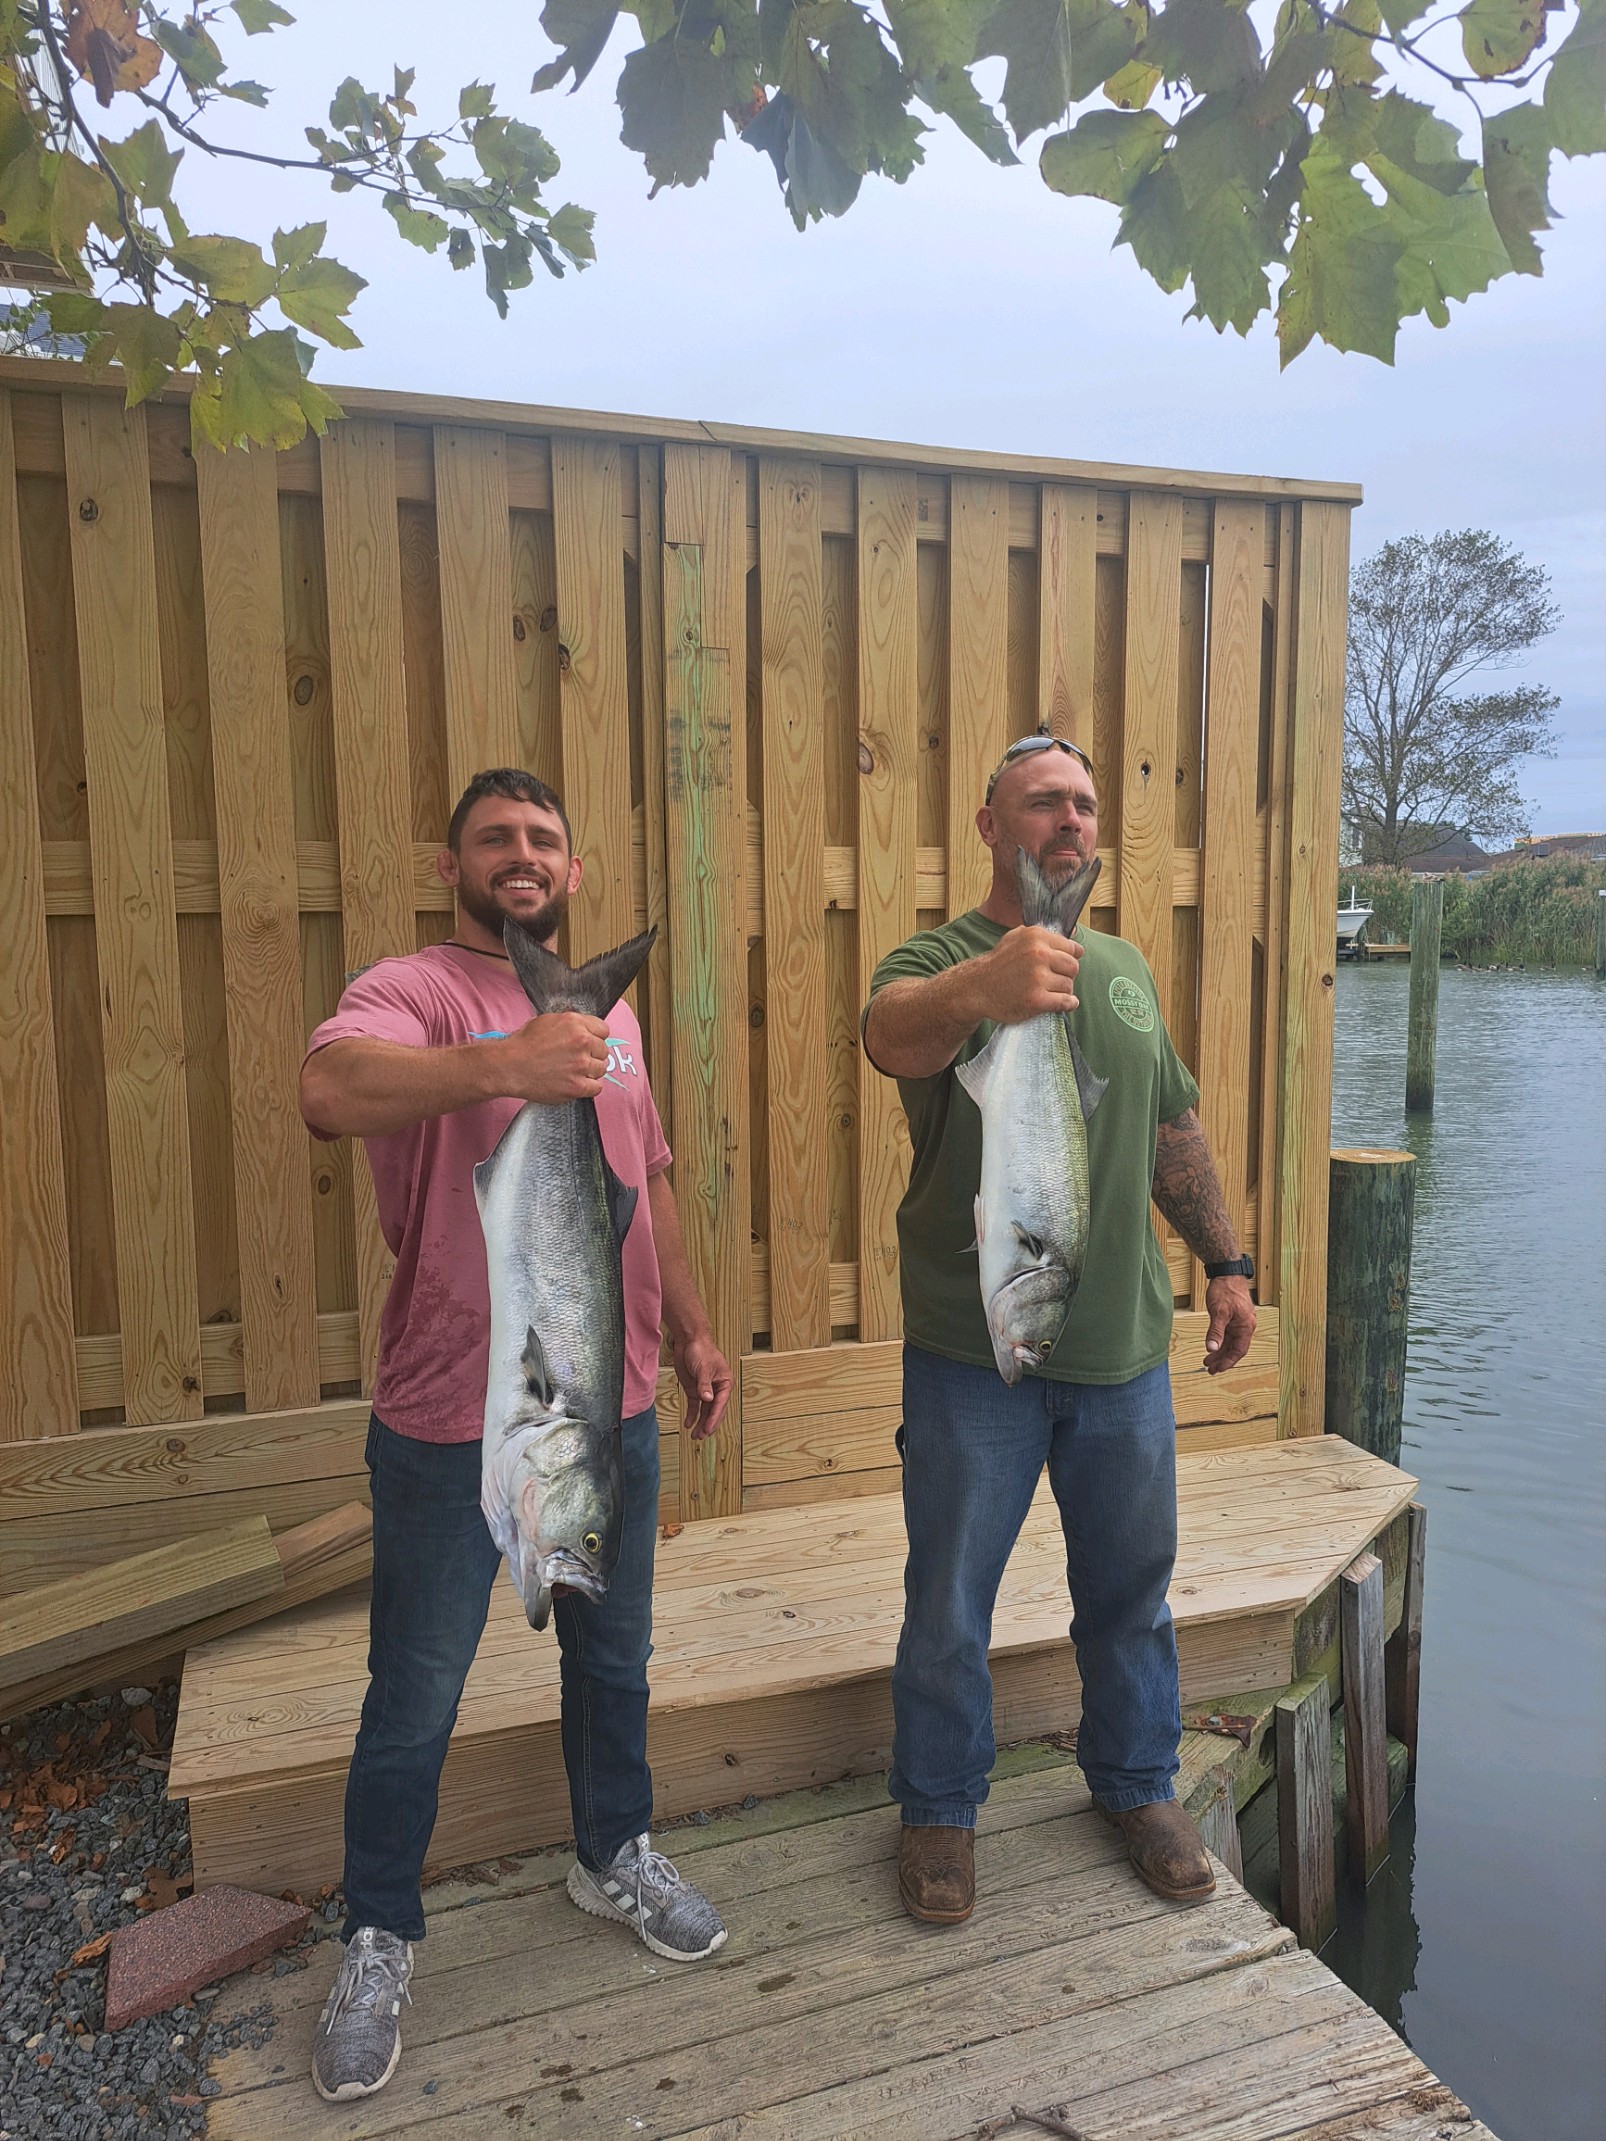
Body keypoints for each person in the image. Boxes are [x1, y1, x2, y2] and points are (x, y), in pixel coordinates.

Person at [297, 768, 734, 2101]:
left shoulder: (613, 1015)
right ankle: (379, 1930)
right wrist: (508, 1061)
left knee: (612, 1657)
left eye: (544, 838)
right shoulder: (416, 988)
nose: (522, 853)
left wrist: (696, 1331)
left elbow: (648, 1177)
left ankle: (612, 1853)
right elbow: (328, 1088)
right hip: (449, 1416)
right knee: (414, 1693)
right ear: (454, 867)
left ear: (573, 870)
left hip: (609, 1402)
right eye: (496, 837)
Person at [862, 729, 1256, 1925]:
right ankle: (938, 1804)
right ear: (991, 825)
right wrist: (985, 986)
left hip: (1123, 1355)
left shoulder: (1121, 964)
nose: (1070, 819)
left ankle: (1137, 1781)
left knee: (1131, 1587)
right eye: (1042, 801)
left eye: (1083, 802)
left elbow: (1172, 1124)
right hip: (973, 1352)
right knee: (948, 1600)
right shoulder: (938, 958)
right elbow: (889, 1033)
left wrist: (1226, 1262)